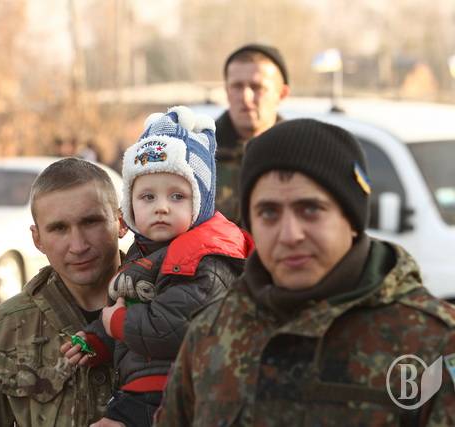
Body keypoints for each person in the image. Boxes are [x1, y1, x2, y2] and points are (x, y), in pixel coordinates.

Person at [156, 118, 455, 426]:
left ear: (352, 220)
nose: (289, 235)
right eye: (268, 213)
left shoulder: (435, 343)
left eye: (310, 210)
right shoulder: (211, 333)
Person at [64, 106, 252, 427]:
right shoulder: (145, 250)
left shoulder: (207, 256)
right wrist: (98, 340)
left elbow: (174, 326)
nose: (161, 207)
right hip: (139, 388)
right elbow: (131, 305)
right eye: (147, 197)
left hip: (178, 390)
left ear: (201, 201)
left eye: (177, 196)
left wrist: (117, 323)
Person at [0, 157, 128, 426]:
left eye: (91, 222)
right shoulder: (8, 327)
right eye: (59, 228)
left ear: (121, 222)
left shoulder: (165, 305)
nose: (78, 245)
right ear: (37, 238)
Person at [215, 43, 290, 225]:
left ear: (282, 93)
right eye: (237, 86)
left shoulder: (301, 154)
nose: (246, 97)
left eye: (257, 87)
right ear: (227, 91)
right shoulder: (197, 153)